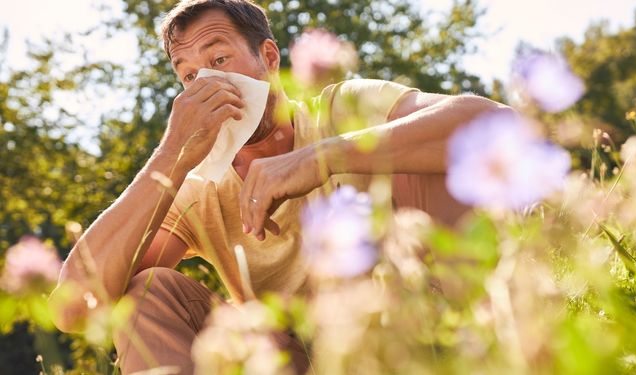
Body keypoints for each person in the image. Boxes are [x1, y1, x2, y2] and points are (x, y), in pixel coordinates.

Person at [49, 0, 511, 373]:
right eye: (189, 75)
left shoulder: (341, 110)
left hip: (407, 329)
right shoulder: (198, 188)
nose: (206, 83)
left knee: (425, 155)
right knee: (146, 288)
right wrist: (171, 156)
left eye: (219, 58)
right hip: (287, 361)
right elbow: (74, 310)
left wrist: (324, 159)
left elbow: (500, 128)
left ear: (269, 59)